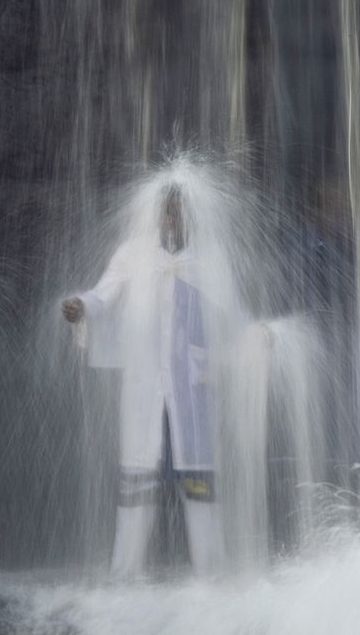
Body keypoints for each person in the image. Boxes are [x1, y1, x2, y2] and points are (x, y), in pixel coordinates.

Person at [62, 183, 226, 577]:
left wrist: (250, 340)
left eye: (178, 211)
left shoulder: (210, 257)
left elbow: (228, 314)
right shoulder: (132, 254)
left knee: (198, 471)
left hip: (193, 383)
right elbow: (104, 294)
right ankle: (126, 569)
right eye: (166, 211)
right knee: (138, 472)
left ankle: (212, 571)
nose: (171, 219)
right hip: (144, 379)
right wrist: (80, 306)